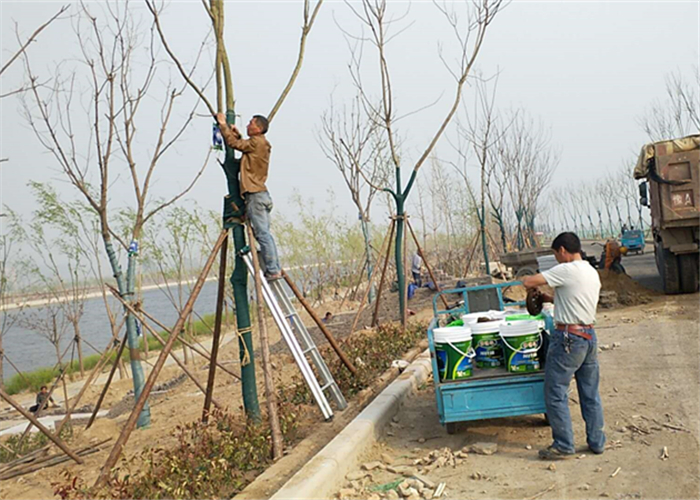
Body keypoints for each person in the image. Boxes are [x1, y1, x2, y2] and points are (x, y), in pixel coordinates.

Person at [522, 232, 605, 460]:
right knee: (590, 393)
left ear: (562, 251)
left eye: (555, 254)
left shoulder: (566, 269)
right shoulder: (590, 271)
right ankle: (597, 442)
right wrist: (548, 298)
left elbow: (528, 281)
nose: (556, 259)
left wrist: (531, 287)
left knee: (555, 392)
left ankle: (563, 445)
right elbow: (575, 297)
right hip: (589, 335)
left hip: (568, 338)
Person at [216, 113, 282, 279]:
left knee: (262, 234)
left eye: (251, 123)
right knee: (265, 233)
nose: (247, 125)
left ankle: (273, 269)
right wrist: (237, 134)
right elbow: (242, 146)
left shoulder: (256, 142)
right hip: (262, 195)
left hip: (255, 196)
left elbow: (234, 144)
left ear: (258, 128)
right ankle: (274, 267)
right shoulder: (260, 144)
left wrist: (223, 125)